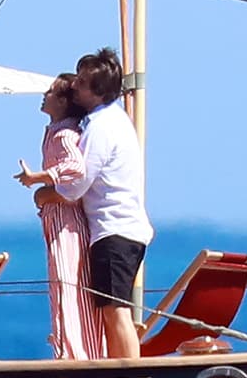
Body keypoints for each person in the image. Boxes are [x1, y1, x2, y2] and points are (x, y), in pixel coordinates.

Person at [34, 48, 152, 359]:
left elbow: (76, 184)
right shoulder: (114, 120)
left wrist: (44, 193)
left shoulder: (101, 128)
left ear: (98, 92)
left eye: (83, 83)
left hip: (114, 230)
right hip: (123, 228)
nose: (75, 87)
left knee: (116, 312)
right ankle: (116, 368)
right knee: (111, 310)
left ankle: (128, 375)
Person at [14, 74, 105, 359]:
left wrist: (39, 179)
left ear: (64, 101)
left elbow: (75, 168)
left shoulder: (64, 134)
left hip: (66, 219)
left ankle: (73, 353)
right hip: (60, 216)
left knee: (66, 283)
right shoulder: (59, 132)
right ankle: (80, 349)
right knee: (68, 282)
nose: (45, 95)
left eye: (51, 92)